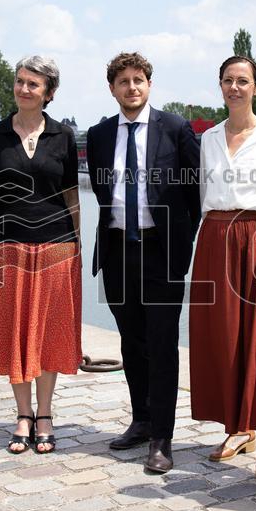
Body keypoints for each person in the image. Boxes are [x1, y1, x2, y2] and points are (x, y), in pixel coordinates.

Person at [86, 52, 201, 473]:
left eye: (138, 80)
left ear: (149, 84)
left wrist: (180, 247)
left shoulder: (175, 128)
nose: (131, 87)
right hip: (116, 251)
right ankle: (141, 419)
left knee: (162, 343)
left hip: (161, 252)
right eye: (123, 81)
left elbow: (196, 195)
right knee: (131, 341)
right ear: (113, 89)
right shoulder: (98, 135)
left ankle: (162, 438)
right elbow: (101, 192)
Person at [189, 56, 256, 495]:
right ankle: (239, 428)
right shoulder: (209, 138)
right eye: (228, 81)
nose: (235, 87)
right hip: (216, 240)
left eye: (243, 81)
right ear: (220, 86)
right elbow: (203, 194)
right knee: (223, 342)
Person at [0, 55, 81, 455]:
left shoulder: (63, 136)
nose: (23, 89)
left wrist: (78, 246)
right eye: (19, 82)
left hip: (55, 245)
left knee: (50, 332)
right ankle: (22, 414)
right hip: (5, 246)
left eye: (33, 84)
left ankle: (46, 414)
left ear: (48, 92)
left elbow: (72, 197)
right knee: (14, 331)